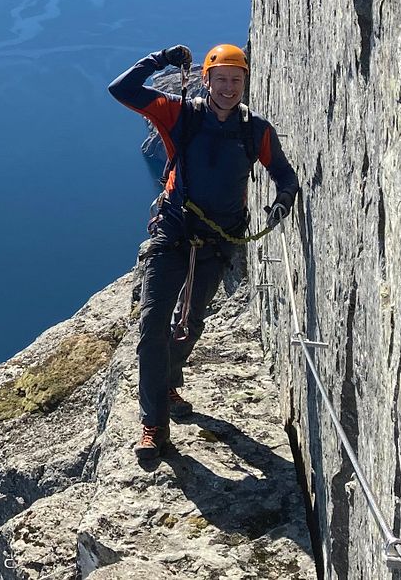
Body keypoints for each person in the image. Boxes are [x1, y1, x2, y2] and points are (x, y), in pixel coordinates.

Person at [108, 42, 300, 454]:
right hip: (172, 235)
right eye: (221, 79)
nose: (229, 88)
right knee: (152, 327)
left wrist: (283, 201)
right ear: (206, 81)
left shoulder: (255, 130)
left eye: (236, 80)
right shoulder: (182, 115)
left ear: (245, 83)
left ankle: (169, 383)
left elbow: (285, 175)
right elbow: (121, 90)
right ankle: (154, 426)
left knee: (190, 325)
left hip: (216, 244)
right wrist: (159, 59)